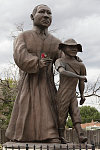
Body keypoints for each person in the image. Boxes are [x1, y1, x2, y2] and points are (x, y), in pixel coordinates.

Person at [5, 4, 61, 143]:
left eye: (49, 13)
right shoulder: (23, 37)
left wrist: (70, 64)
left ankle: (51, 135)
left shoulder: (56, 42)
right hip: (29, 83)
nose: (46, 16)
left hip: (47, 83)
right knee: (26, 108)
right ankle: (22, 136)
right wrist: (36, 62)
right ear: (32, 16)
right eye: (42, 12)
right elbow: (20, 55)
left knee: (48, 108)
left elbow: (63, 60)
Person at [55, 39, 88, 143]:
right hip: (63, 93)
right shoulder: (60, 61)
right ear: (64, 48)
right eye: (70, 47)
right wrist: (79, 76)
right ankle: (60, 137)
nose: (74, 49)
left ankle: (81, 135)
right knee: (61, 115)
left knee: (76, 114)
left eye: (76, 47)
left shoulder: (80, 65)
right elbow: (62, 72)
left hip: (73, 93)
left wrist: (82, 94)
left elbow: (81, 82)